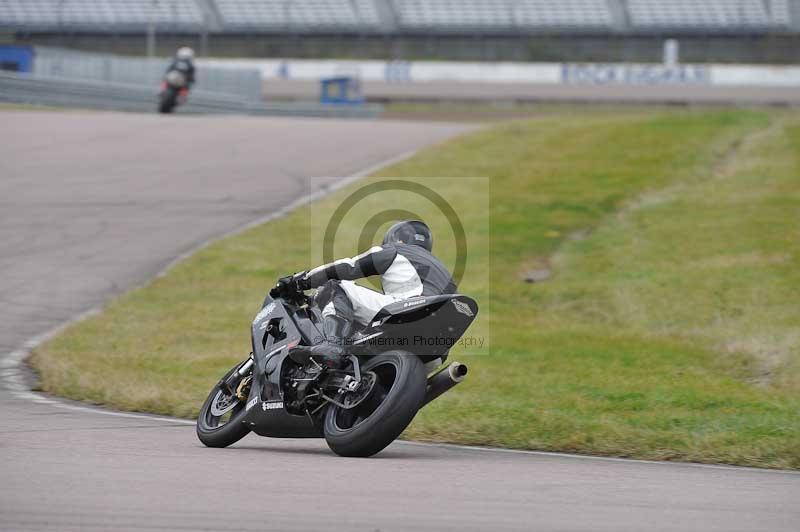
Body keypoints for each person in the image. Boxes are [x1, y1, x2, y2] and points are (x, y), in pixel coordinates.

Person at [272, 220, 456, 368]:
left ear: (395, 238)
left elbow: (349, 267)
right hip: (436, 353)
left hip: (410, 314)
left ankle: (332, 345)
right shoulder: (443, 273)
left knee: (337, 287)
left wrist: (301, 280)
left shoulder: (395, 250)